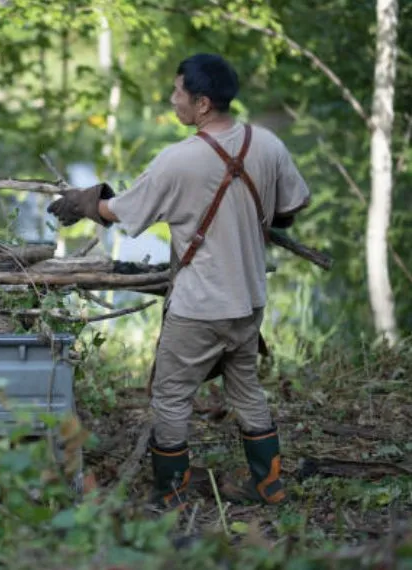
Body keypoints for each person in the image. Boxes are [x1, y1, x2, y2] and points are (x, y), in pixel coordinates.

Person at [46, 53, 311, 511]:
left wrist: (86, 201)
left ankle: (170, 495)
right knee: (245, 387)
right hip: (249, 301)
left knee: (170, 395)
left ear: (202, 103)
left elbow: (122, 211)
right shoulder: (267, 145)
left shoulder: (178, 160)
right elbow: (293, 206)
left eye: (178, 93)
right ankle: (268, 485)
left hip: (199, 307)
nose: (173, 100)